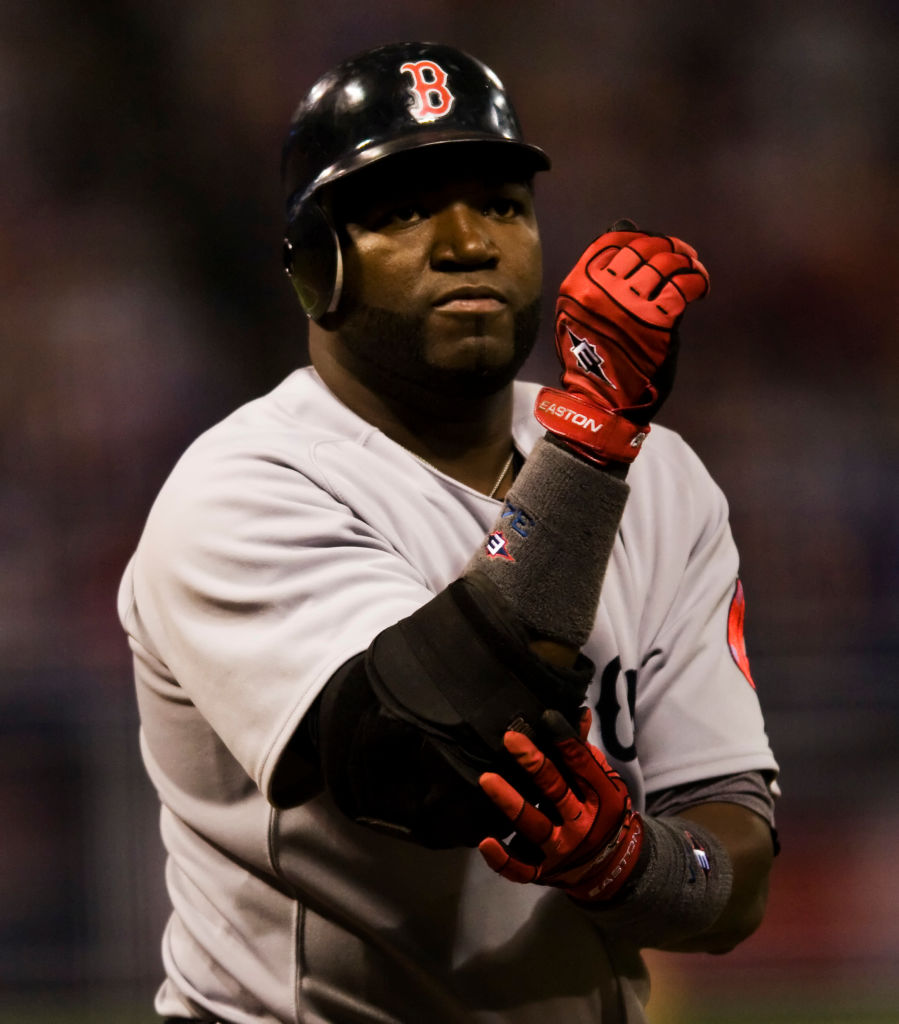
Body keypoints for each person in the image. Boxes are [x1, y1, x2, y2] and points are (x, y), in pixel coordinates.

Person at [118, 41, 779, 1024]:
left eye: (502, 205)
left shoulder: (663, 476)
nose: (468, 241)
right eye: (403, 209)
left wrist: (637, 866)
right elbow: (417, 756)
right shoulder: (245, 483)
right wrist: (591, 437)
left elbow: (733, 847)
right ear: (315, 265)